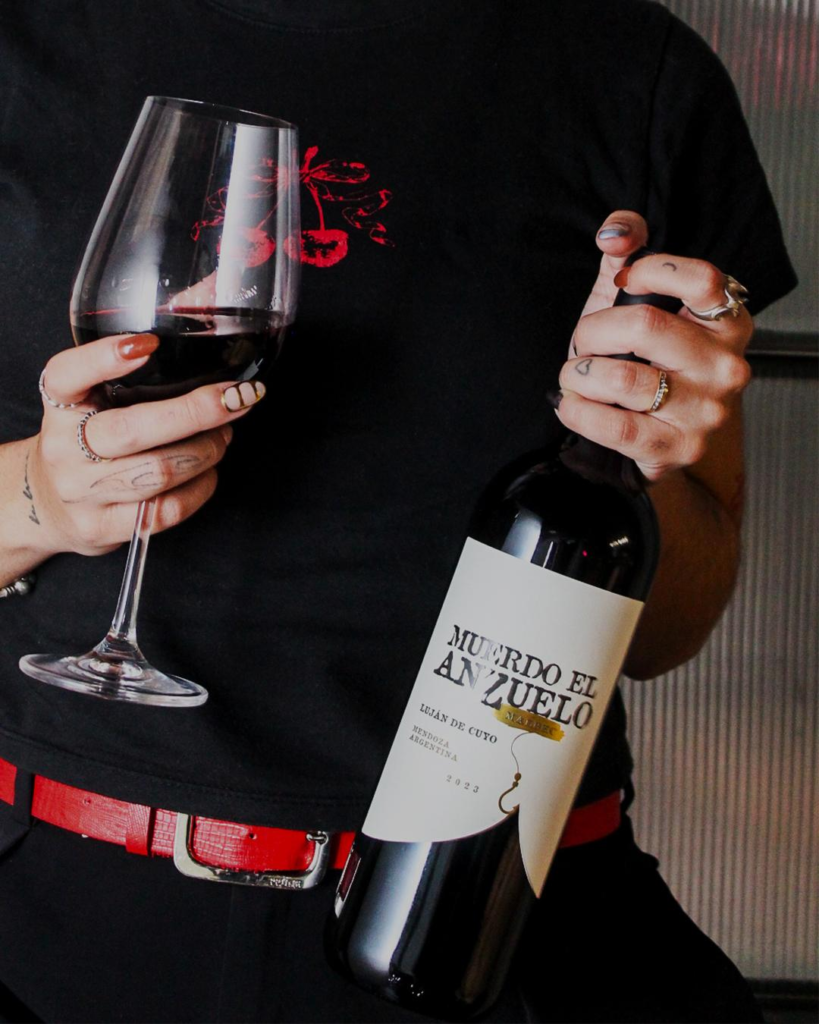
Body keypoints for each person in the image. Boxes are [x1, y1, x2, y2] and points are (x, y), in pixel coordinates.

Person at [0, 0, 797, 1021]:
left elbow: (666, 632)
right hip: (58, 928)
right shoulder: (28, 40)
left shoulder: (633, 70)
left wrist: (641, 454)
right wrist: (45, 498)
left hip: (492, 920)